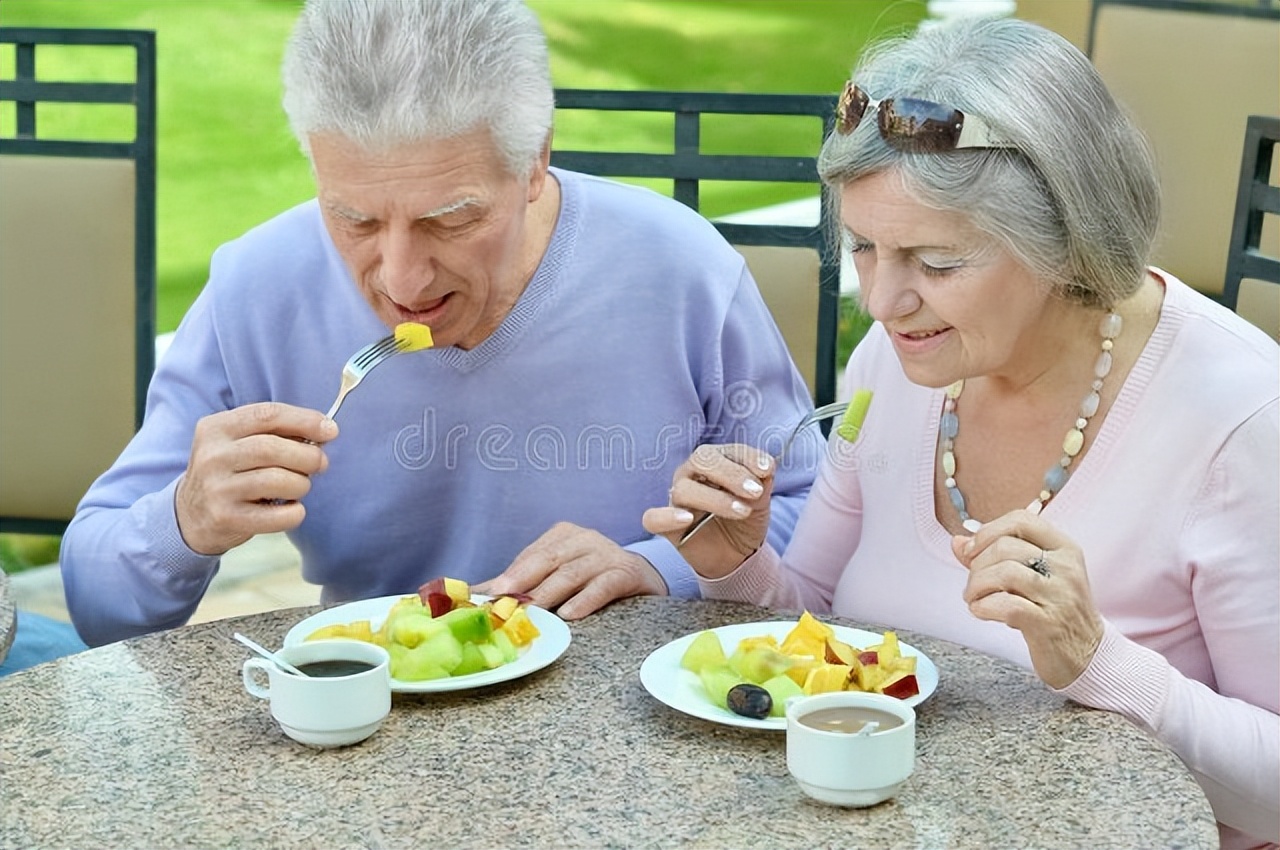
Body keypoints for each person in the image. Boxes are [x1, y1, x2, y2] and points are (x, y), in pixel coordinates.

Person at [644, 18, 1278, 850]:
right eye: (864, 247)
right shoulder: (896, 360)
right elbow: (826, 625)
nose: (881, 301)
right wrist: (741, 567)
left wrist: (1098, 661)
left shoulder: (1240, 417)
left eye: (937, 264)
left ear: (1066, 242)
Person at [60, 0, 817, 647]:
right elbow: (99, 606)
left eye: (450, 220)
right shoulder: (257, 288)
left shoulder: (679, 268)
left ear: (534, 163)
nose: (400, 278)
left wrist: (663, 568)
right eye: (353, 218)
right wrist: (186, 519)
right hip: (369, 739)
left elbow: (813, 517)